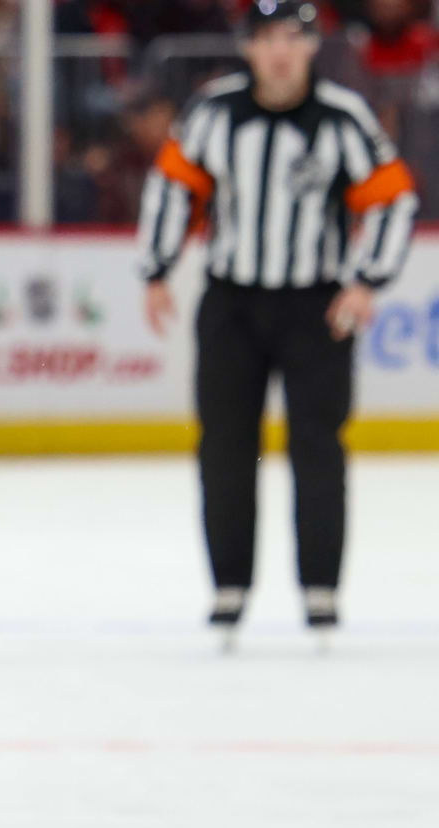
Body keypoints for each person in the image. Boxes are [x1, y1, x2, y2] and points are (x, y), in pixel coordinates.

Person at [137, 0, 417, 641]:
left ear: (313, 45)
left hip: (314, 307)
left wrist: (367, 280)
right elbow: (171, 187)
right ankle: (229, 586)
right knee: (225, 446)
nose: (280, 51)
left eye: (292, 36)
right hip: (232, 304)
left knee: (319, 448)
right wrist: (155, 269)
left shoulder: (342, 117)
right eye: (266, 38)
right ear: (248, 48)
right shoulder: (215, 111)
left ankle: (320, 587)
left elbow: (394, 197)